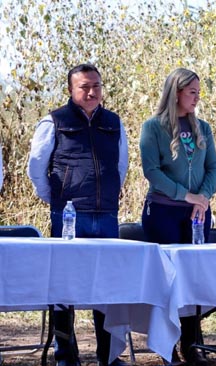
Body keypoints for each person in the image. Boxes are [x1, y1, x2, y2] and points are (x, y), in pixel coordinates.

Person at [27, 63, 129, 366]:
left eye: (96, 85)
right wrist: (58, 200)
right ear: (71, 90)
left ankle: (107, 356)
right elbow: (36, 168)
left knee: (106, 287)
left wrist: (110, 195)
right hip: (69, 217)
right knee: (63, 287)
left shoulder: (114, 122)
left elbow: (120, 167)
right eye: (84, 86)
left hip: (106, 216)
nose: (91, 91)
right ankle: (66, 356)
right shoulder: (53, 121)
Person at [139, 68, 216, 366]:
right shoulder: (153, 128)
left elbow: (212, 169)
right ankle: (166, 344)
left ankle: (191, 342)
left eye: (198, 92)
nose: (197, 97)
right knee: (168, 282)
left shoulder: (204, 129)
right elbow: (152, 172)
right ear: (176, 92)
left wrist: (203, 198)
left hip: (197, 214)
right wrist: (187, 196)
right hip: (163, 213)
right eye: (192, 92)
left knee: (193, 279)